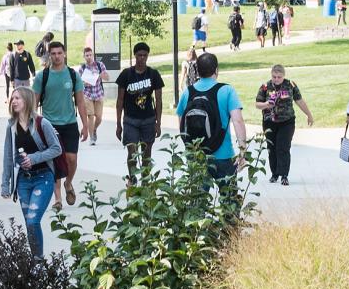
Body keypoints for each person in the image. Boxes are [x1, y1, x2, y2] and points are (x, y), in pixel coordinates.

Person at [175, 51, 249, 202]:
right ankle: (230, 226)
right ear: (216, 70)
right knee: (229, 202)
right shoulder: (226, 90)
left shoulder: (188, 92)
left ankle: (197, 226)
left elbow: (182, 124)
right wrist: (242, 149)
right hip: (223, 154)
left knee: (197, 204)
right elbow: (238, 121)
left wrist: (190, 148)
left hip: (196, 155)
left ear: (197, 71)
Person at [0, 85, 62, 256]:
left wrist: (33, 158)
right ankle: (35, 261)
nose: (14, 101)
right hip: (24, 181)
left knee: (33, 220)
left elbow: (57, 149)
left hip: (44, 177)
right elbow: (8, 156)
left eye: (18, 98)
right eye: (12, 98)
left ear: (27, 100)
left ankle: (38, 261)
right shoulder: (11, 126)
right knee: (29, 222)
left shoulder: (42, 123)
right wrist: (5, 184)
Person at [32, 41, 85, 209]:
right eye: (53, 53)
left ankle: (68, 183)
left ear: (64, 54)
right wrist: (32, 123)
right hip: (49, 124)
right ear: (49, 55)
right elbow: (34, 102)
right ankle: (58, 199)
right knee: (54, 161)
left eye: (59, 53)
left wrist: (86, 125)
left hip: (69, 123)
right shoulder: (43, 76)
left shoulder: (73, 75)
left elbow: (81, 102)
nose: (56, 56)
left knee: (71, 159)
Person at [253, 64, 314, 185]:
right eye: (274, 76)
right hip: (269, 122)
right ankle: (274, 173)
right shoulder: (265, 87)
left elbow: (299, 101)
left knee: (283, 147)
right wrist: (266, 104)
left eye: (279, 77)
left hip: (287, 122)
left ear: (283, 76)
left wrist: (309, 114)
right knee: (272, 148)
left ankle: (284, 175)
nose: (276, 79)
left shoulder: (290, 85)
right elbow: (257, 104)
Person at [112, 42, 165, 175]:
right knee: (132, 152)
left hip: (148, 119)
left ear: (147, 56)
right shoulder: (126, 74)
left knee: (146, 154)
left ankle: (145, 184)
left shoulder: (153, 74)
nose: (142, 58)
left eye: (144, 55)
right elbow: (120, 100)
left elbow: (159, 100)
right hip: (130, 120)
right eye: (139, 55)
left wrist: (158, 123)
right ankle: (132, 179)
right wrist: (118, 124)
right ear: (135, 55)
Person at [75, 47, 107, 145]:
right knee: (91, 116)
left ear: (93, 55)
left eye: (90, 55)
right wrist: (85, 83)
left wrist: (101, 75)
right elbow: (79, 82)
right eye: (87, 55)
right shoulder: (82, 68)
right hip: (87, 94)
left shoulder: (99, 65)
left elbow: (107, 77)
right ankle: (92, 138)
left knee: (99, 117)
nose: (89, 57)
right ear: (84, 56)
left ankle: (94, 129)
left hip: (98, 94)